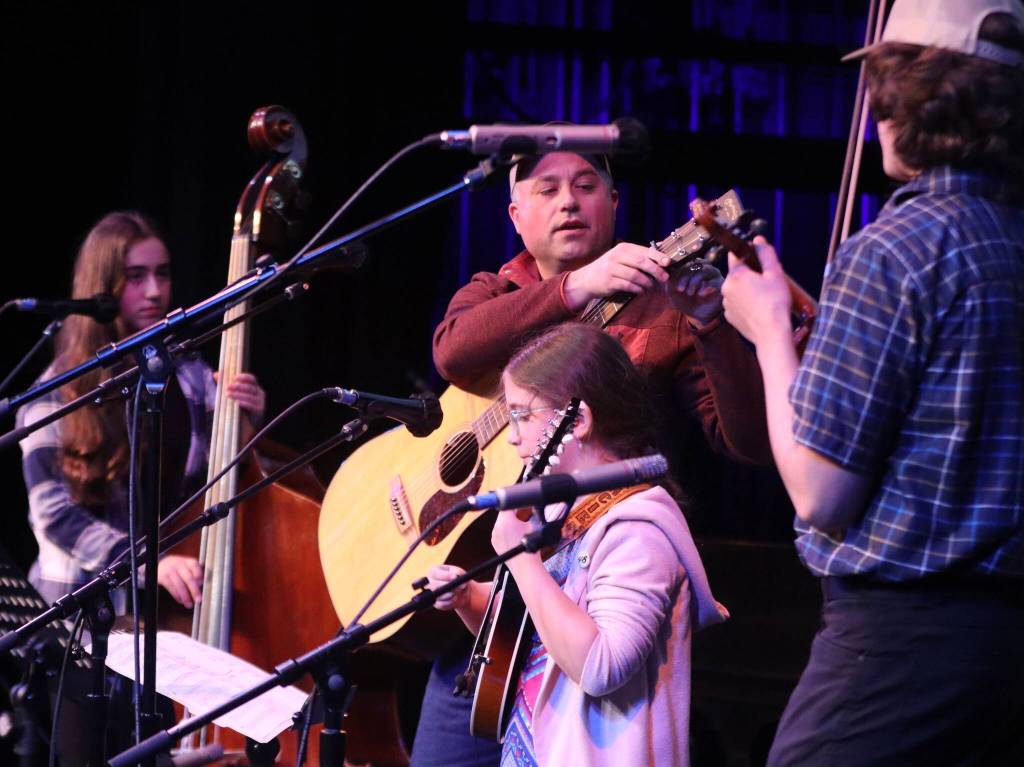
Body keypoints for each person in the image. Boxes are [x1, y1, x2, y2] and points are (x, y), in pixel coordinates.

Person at [720, 1, 1024, 763]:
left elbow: (820, 493)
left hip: (904, 643)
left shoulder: (895, 248)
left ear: (910, 99)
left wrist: (767, 332)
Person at [413, 148, 771, 765]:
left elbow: (748, 441)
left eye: (585, 186)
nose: (568, 202)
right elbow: (452, 353)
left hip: (603, 593)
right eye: (547, 189)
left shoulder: (664, 306)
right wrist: (577, 287)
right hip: (498, 613)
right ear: (515, 215)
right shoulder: (496, 290)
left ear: (614, 203)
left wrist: (711, 325)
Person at [429, 323, 727, 766]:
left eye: (522, 415)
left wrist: (523, 561)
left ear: (578, 421)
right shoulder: (559, 513)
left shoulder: (638, 531)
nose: (511, 436)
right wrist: (469, 597)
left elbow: (601, 667)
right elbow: (536, 633)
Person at [16, 211, 265, 610]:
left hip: (167, 611)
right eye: (135, 276)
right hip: (77, 615)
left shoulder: (190, 374)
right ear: (102, 287)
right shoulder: (57, 390)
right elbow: (54, 514)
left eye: (162, 274)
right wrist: (148, 563)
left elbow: (221, 481)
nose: (154, 291)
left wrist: (247, 420)